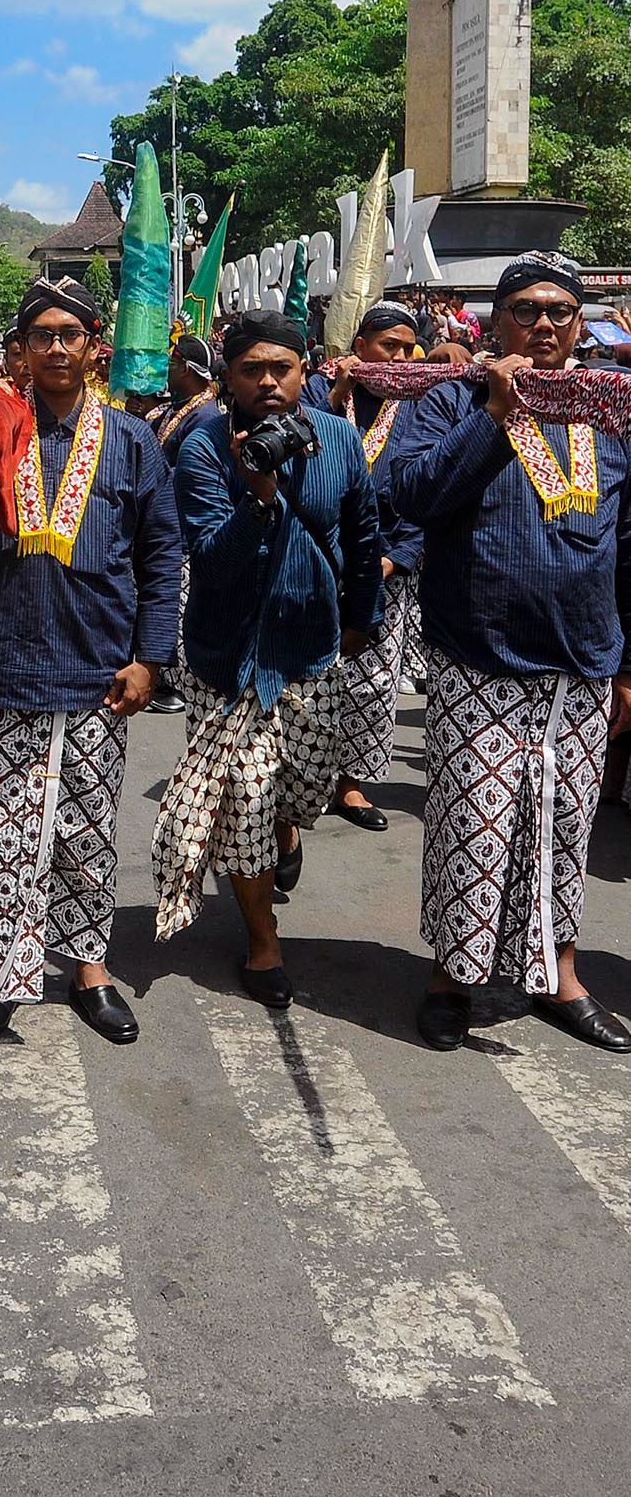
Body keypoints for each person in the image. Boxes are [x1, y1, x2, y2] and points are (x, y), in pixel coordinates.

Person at [0, 276, 181, 1048]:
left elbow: (163, 556)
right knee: (4, 831)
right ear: (22, 349)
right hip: (4, 666)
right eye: (42, 335)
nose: (57, 346)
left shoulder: (131, 440)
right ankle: (0, 979)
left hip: (101, 672)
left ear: (94, 346)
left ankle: (90, 972)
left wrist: (151, 658)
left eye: (71, 333)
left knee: (86, 832)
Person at [390, 251, 631, 1053]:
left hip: (584, 665)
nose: (545, 324)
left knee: (565, 826)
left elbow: (630, 545)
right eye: (526, 309)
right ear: (495, 321)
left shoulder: (610, 411)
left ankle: (560, 974)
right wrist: (493, 413)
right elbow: (415, 497)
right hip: (479, 659)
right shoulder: (447, 401)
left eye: (561, 310)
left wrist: (628, 663)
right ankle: (452, 978)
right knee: (477, 825)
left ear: (580, 324)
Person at [152, 310, 382, 1007]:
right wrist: (257, 497)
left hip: (313, 647)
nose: (268, 381)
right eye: (251, 369)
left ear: (304, 372)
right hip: (230, 659)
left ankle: (288, 831)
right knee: (246, 798)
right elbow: (212, 565)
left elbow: (365, 535)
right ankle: (263, 942)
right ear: (228, 378)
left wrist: (362, 620)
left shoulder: (341, 440)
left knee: (298, 789)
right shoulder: (201, 450)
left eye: (281, 368)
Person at [304, 303, 423, 830]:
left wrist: (394, 559)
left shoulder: (420, 405)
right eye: (387, 346)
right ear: (360, 347)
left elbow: (428, 490)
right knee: (311, 677)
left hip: (383, 569)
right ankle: (303, 781)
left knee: (371, 682)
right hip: (318, 563)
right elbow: (301, 446)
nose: (398, 357)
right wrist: (336, 396)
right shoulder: (318, 388)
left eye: (406, 348)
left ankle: (350, 784)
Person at [147, 334, 222, 716]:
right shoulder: (179, 409)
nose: (168, 370)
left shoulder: (206, 417)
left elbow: (185, 470)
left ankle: (173, 683)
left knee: (174, 602)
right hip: (167, 521)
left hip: (181, 527)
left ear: (191, 371)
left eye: (174, 364)